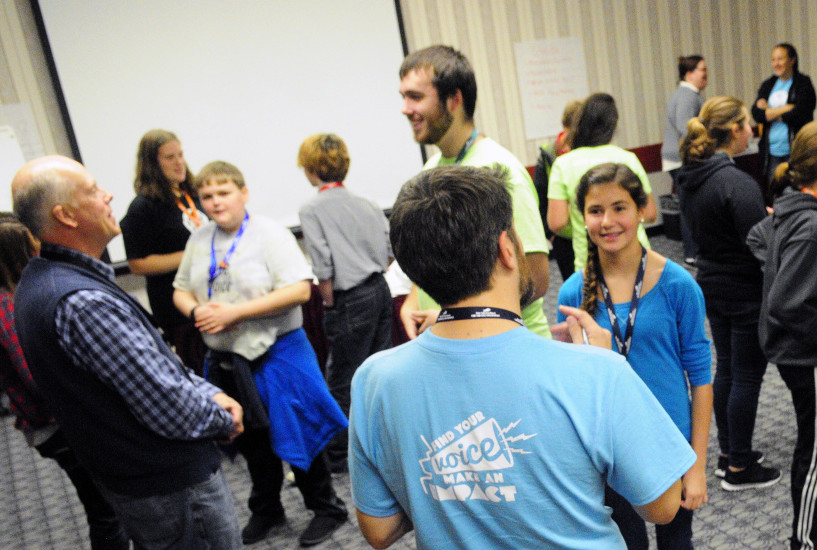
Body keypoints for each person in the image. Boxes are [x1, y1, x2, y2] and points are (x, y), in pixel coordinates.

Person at [348, 164, 696, 549]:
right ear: (507, 249)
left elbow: (378, 530)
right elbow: (663, 505)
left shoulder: (373, 379)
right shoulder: (596, 372)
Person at [11, 155, 245, 549]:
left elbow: (154, 365)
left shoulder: (47, 281)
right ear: (66, 215)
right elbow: (167, 402)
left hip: (135, 479)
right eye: (93, 190)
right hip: (168, 483)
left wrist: (211, 392)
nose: (108, 195)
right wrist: (222, 419)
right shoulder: (82, 300)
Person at [173, 161, 348, 547]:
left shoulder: (270, 234)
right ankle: (267, 509)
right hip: (227, 360)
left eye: (224, 193)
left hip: (279, 353)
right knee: (250, 441)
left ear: (243, 193)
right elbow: (180, 289)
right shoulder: (200, 239)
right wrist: (196, 311)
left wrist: (235, 313)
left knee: (300, 432)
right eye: (207, 196)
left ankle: (327, 508)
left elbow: (300, 291)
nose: (216, 203)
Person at [557, 163, 712, 549]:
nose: (607, 222)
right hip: (608, 452)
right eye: (595, 211)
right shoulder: (574, 294)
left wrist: (697, 466)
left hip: (669, 446)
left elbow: (701, 379)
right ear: (583, 217)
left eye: (619, 208)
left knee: (676, 542)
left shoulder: (678, 285)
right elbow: (571, 389)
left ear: (642, 209)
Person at [397, 44, 551, 338]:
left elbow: (538, 279)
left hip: (509, 348)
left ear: (454, 99)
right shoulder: (431, 171)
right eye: (403, 97)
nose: (406, 109)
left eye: (415, 97)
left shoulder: (501, 169)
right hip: (457, 342)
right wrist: (412, 301)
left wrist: (452, 318)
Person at [0, 214, 130, 550]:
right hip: (58, 426)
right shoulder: (7, 308)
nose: (41, 249)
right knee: (108, 514)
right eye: (33, 245)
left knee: (108, 510)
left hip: (54, 424)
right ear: (16, 256)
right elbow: (36, 377)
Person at [676, 96, 781, 491]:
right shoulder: (736, 182)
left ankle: (727, 453)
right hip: (744, 289)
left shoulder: (692, 177)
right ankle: (739, 466)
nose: (752, 129)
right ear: (735, 131)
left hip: (712, 285)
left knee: (729, 370)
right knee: (748, 375)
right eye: (747, 124)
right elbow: (760, 246)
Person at [297, 133, 392, 474]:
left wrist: (329, 304)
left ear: (310, 169)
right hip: (379, 289)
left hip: (347, 298)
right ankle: (384, 443)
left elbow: (322, 262)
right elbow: (389, 250)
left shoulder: (311, 209)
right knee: (379, 369)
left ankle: (340, 457)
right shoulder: (366, 202)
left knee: (342, 380)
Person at [749, 121, 817, 550]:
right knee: (814, 456)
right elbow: (787, 304)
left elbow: (758, 237)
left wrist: (776, 266)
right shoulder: (810, 226)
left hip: (793, 351)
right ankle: (804, 539)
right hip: (807, 356)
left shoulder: (789, 208)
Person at [120, 129, 208, 374]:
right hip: (179, 311)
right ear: (152, 164)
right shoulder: (143, 207)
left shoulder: (194, 194)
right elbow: (138, 264)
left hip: (212, 296)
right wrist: (191, 255)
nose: (179, 162)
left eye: (180, 155)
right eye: (169, 157)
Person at [547, 93, 657, 272]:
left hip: (590, 262)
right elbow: (650, 213)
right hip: (637, 257)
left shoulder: (564, 164)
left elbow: (556, 222)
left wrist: (581, 220)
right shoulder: (628, 158)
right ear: (612, 125)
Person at [662, 55, 708, 265]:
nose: (706, 74)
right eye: (702, 70)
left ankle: (693, 251)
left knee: (687, 204)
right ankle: (693, 253)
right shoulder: (689, 96)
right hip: (682, 160)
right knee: (690, 206)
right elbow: (685, 128)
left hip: (675, 159)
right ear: (689, 74)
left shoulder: (682, 94)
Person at [751, 43, 816, 186]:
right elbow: (757, 114)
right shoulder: (768, 85)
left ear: (792, 60)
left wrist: (770, 112)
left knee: (798, 189)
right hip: (772, 153)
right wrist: (786, 108)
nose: (776, 63)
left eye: (780, 59)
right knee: (775, 191)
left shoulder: (803, 83)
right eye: (773, 60)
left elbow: (802, 113)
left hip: (795, 151)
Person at [533, 99, 582, 280]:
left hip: (587, 234)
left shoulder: (586, 152)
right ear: (564, 126)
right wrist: (550, 233)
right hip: (563, 238)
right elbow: (540, 197)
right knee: (573, 288)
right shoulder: (548, 155)